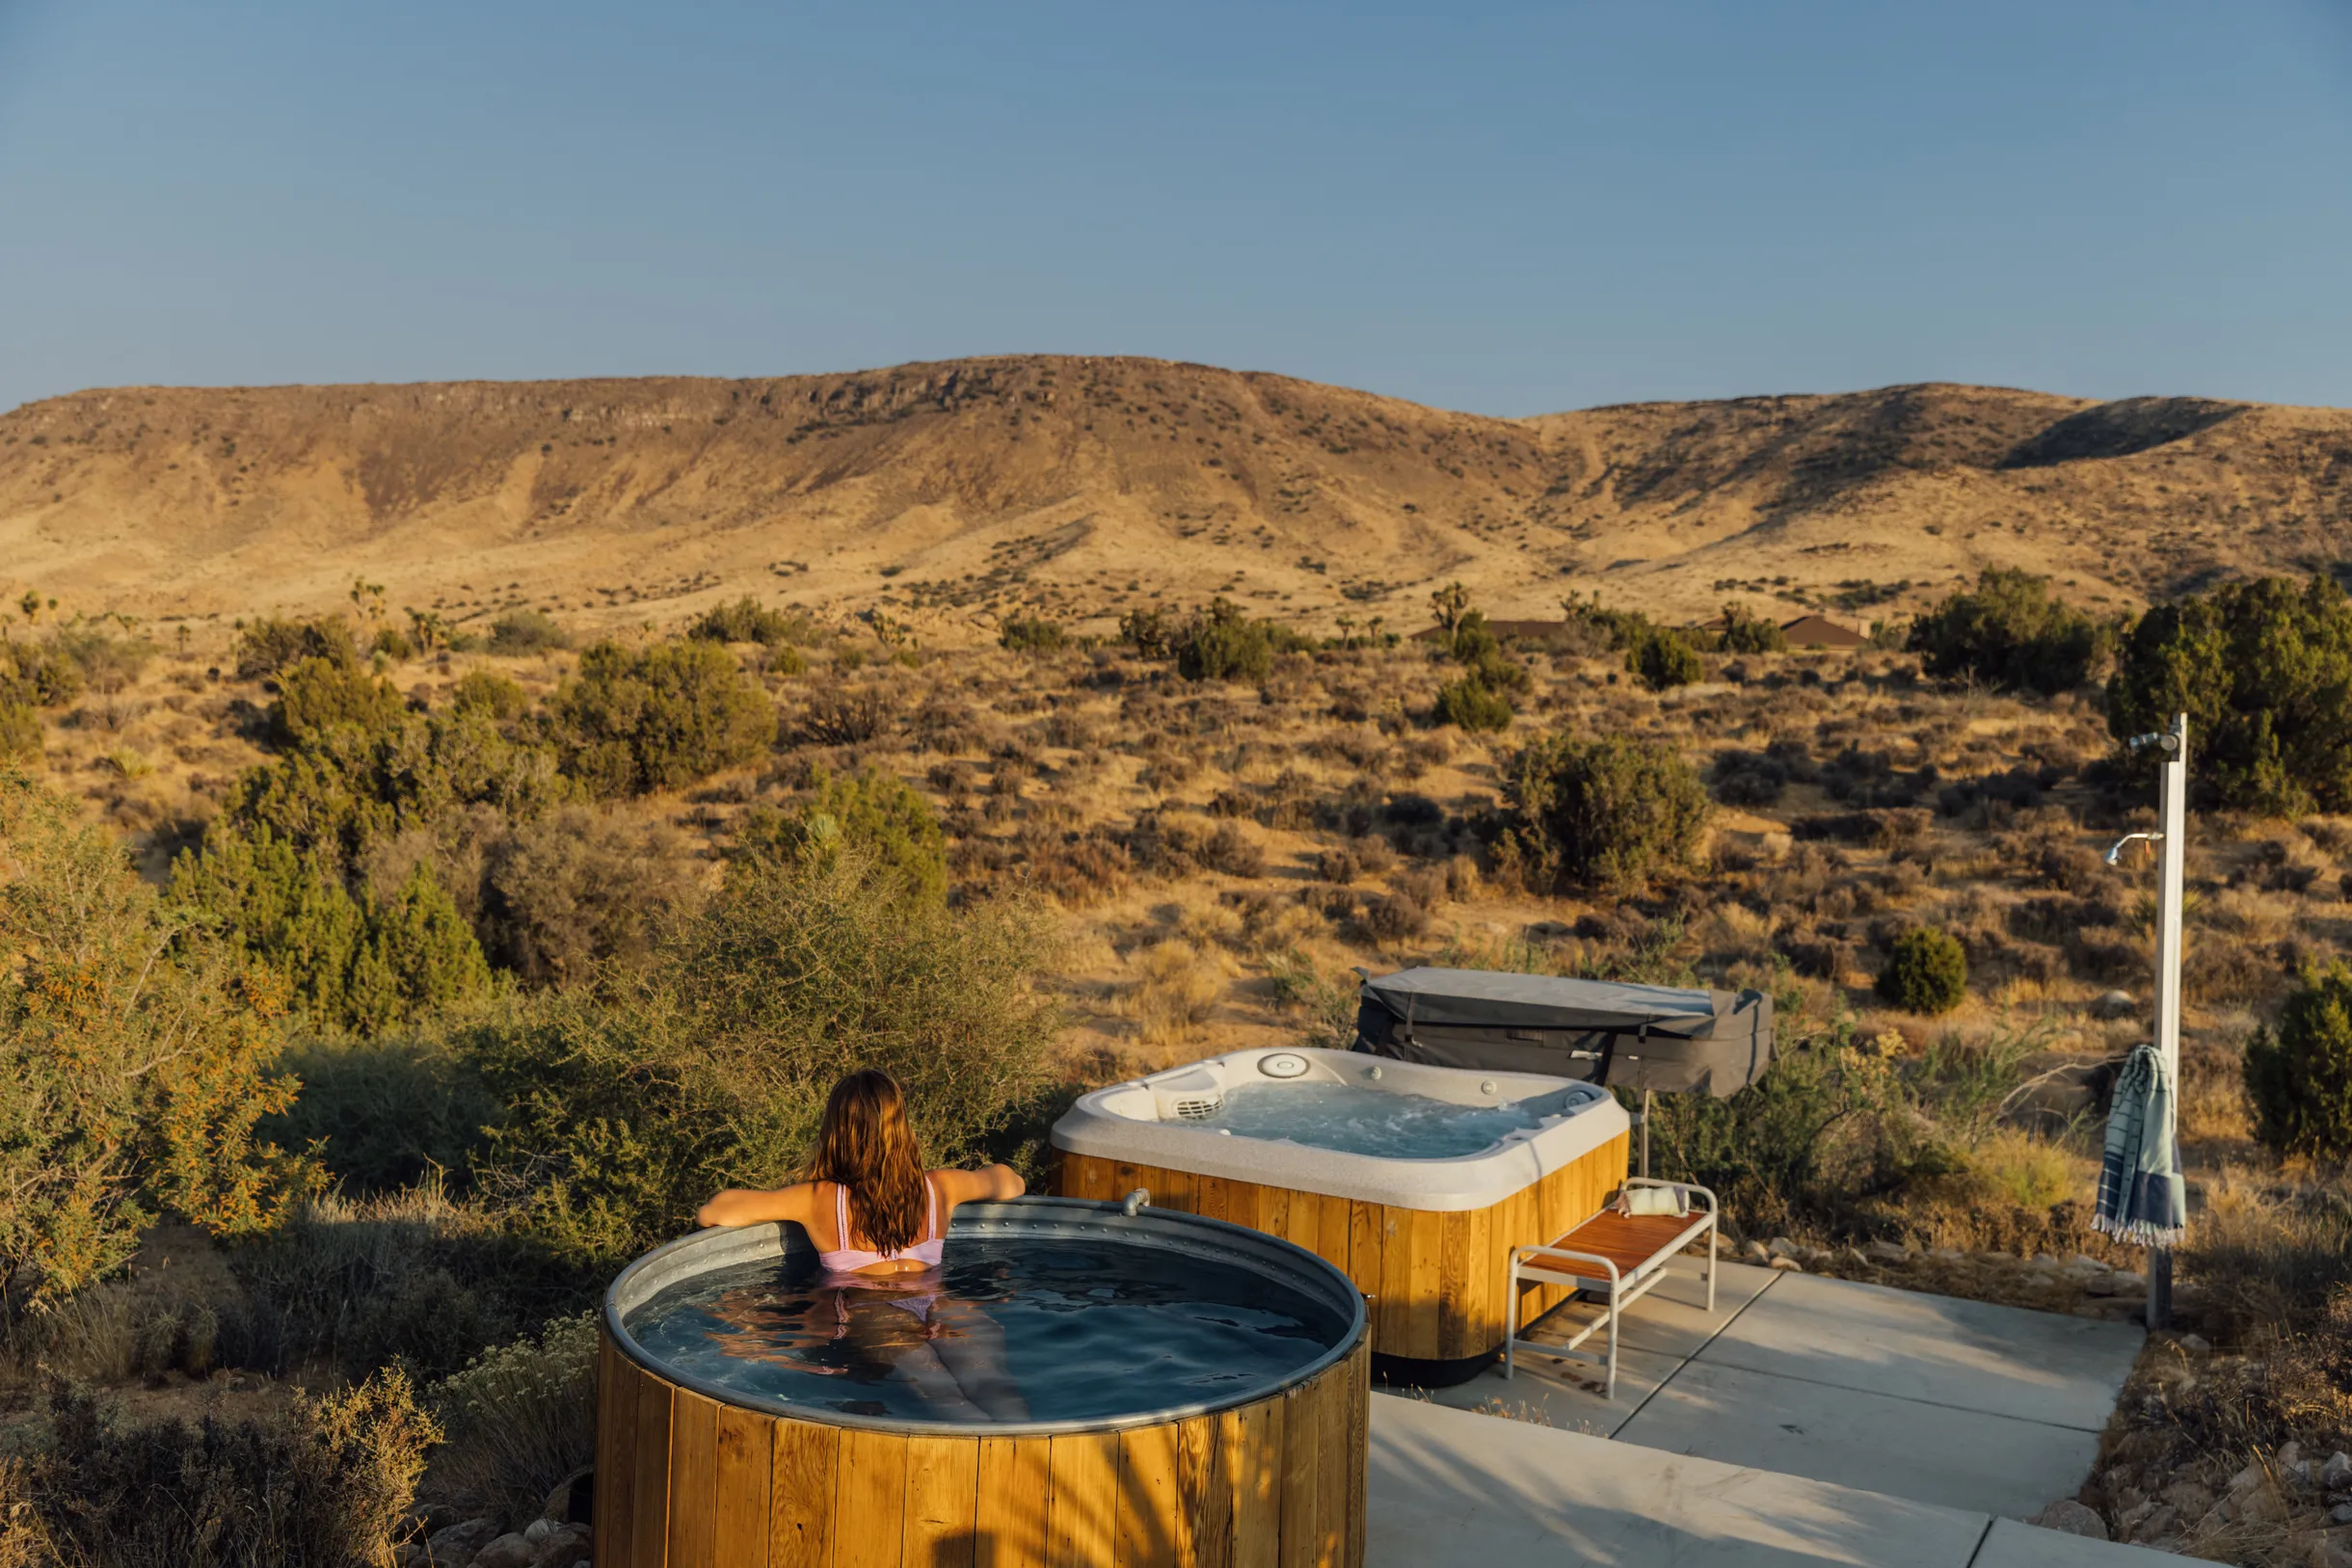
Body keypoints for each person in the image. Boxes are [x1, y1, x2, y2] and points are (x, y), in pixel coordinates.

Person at [695, 1068, 1029, 1420]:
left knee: (946, 1399)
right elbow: (1011, 1182)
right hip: (941, 1303)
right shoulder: (942, 1187)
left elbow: (714, 1212)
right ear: (901, 1128)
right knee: (996, 1388)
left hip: (875, 1313)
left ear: (838, 1132)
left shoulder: (821, 1199)